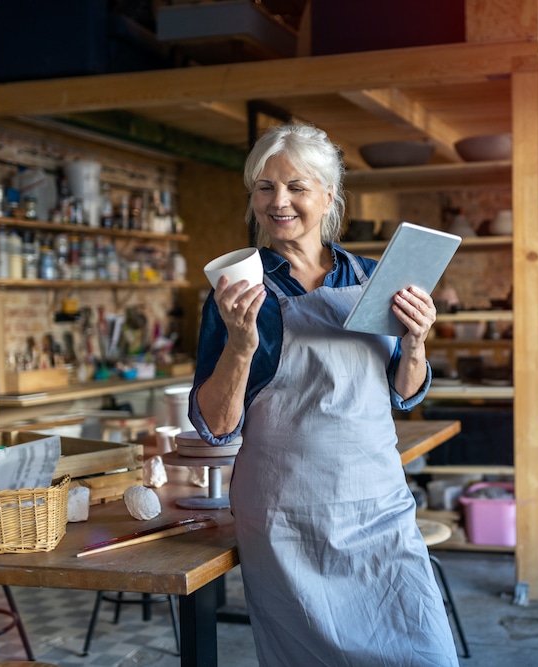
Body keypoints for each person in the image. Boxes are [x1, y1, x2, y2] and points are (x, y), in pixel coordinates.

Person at [189, 122, 459, 666]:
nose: (278, 201)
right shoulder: (240, 295)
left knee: (423, 652)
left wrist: (415, 343)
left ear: (328, 196)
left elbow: (403, 394)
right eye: (264, 187)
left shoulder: (372, 277)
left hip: (378, 504)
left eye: (296, 187)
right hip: (287, 517)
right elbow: (215, 424)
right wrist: (240, 346)